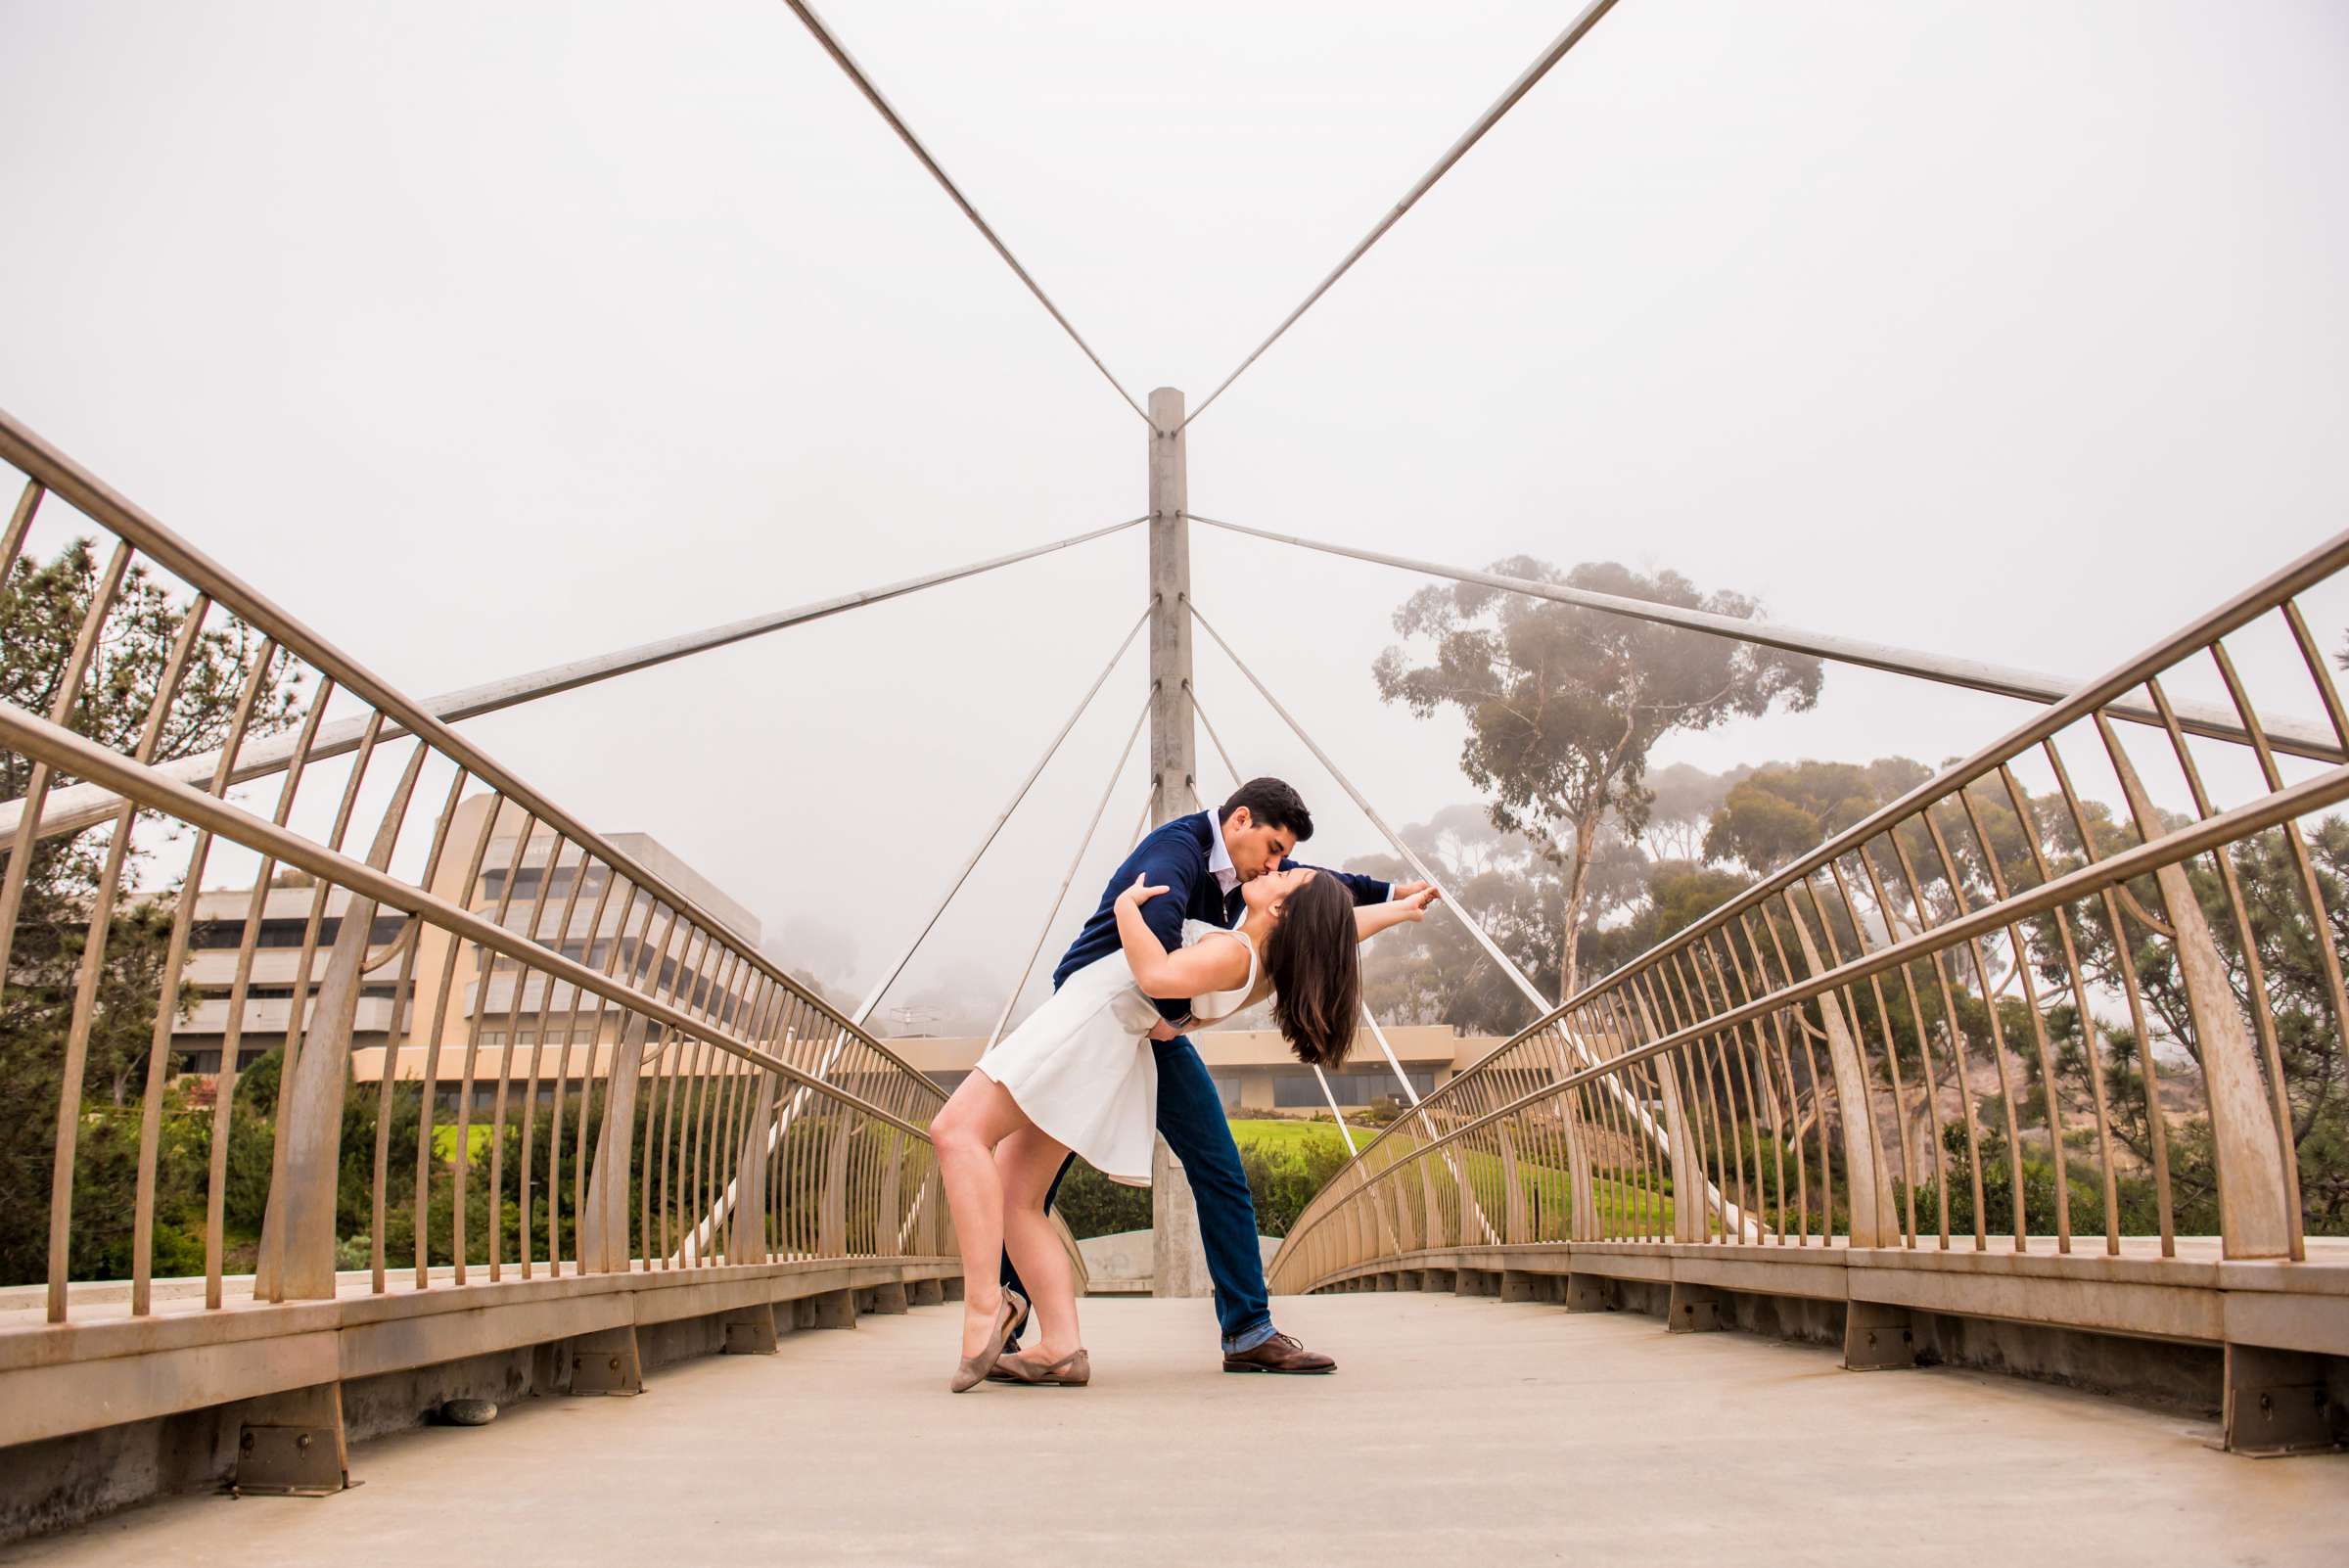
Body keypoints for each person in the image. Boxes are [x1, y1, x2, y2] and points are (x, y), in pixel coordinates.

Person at [930, 777, 1434, 1388]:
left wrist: (1390, 896)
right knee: (1022, 1188)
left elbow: (1311, 908)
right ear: (1239, 821)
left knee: (1205, 1166)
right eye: (1274, 851)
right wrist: (1395, 903)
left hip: (1128, 1024)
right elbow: (1172, 963)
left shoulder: (1256, 912)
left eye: (1282, 863)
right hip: (1105, 1018)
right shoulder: (1176, 855)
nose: (1279, 865)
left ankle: (1243, 1329)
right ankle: (1045, 1336)